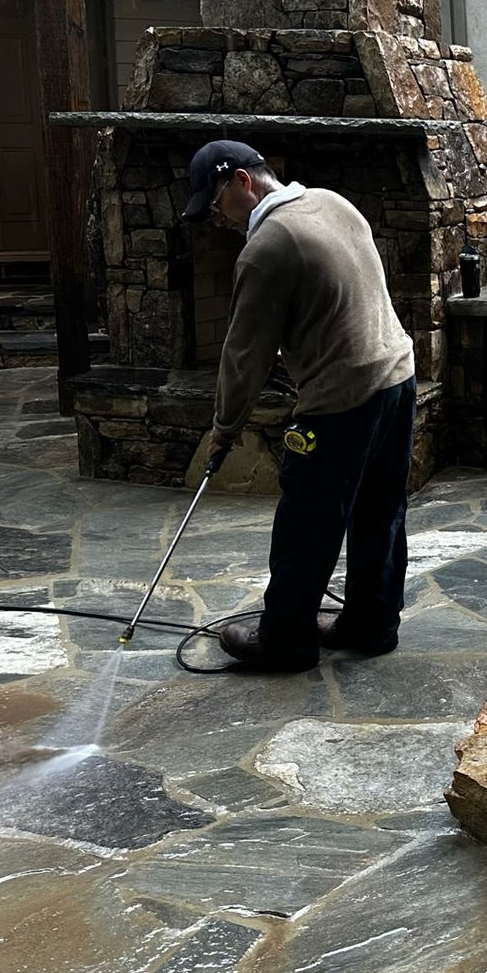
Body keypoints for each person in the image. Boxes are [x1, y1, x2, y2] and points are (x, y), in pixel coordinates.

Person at [180, 140, 417, 672]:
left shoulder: (268, 247)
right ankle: (371, 623)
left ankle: (285, 640)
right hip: (397, 377)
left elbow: (245, 355)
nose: (216, 220)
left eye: (215, 205)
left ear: (242, 181)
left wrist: (224, 430)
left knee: (306, 520)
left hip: (342, 399)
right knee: (379, 510)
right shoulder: (333, 202)